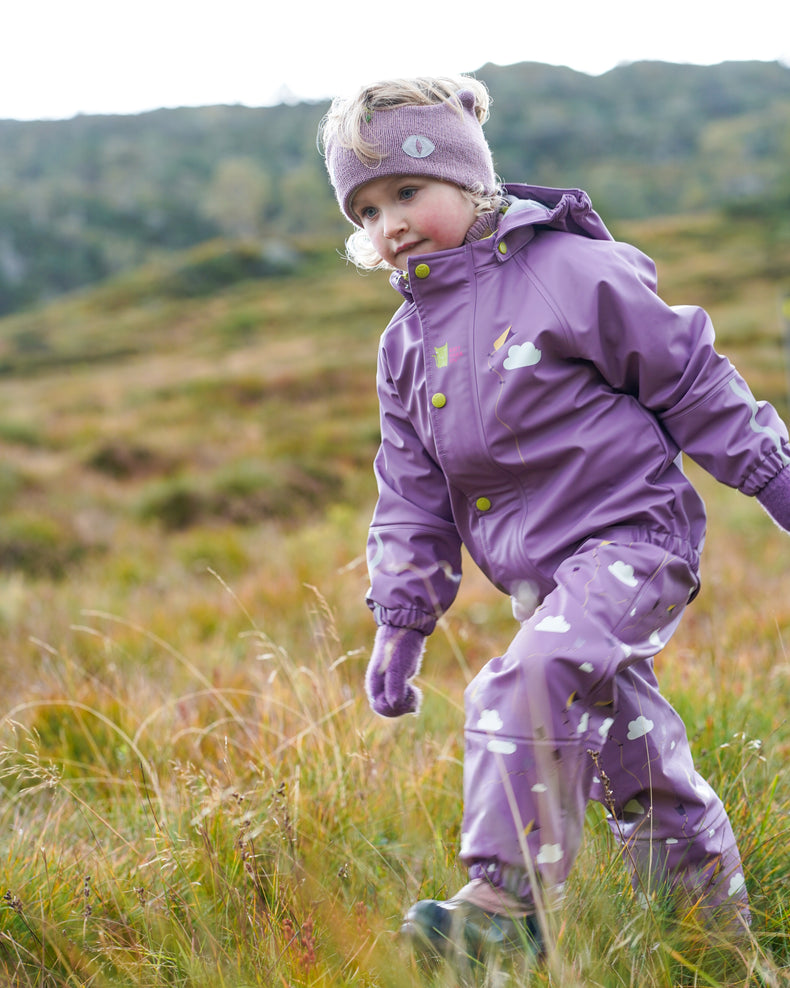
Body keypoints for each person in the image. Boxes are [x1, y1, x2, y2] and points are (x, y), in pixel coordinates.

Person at [319, 75, 790, 962]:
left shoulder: (570, 273)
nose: (391, 225)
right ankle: (716, 949)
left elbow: (692, 380)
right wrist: (401, 622)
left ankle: (505, 900)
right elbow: (412, 497)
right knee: (639, 769)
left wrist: (771, 475)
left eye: (409, 192)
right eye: (368, 210)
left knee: (524, 677)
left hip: (633, 544)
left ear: (470, 181)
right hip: (545, 583)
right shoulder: (405, 348)